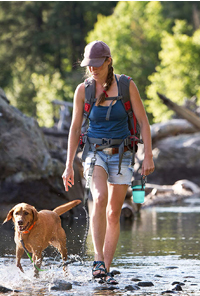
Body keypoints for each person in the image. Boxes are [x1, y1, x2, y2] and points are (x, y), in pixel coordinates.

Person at [62, 40, 155, 284]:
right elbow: (74, 129)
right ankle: (98, 260)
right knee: (99, 198)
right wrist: (68, 164)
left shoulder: (126, 86)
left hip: (123, 154)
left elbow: (143, 122)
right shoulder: (83, 90)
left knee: (114, 213)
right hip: (94, 153)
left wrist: (149, 156)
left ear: (108, 61)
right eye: (88, 65)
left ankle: (104, 269)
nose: (91, 69)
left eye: (96, 64)